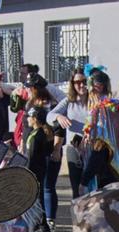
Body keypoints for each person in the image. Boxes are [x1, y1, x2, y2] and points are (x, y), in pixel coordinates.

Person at [80, 71, 119, 193]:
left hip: (109, 176)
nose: (88, 93)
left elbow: (99, 149)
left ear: (98, 87)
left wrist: (84, 181)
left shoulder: (102, 112)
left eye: (89, 88)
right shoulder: (118, 109)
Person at [47, 69, 90, 203]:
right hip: (74, 148)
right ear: (72, 84)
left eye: (84, 81)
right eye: (77, 82)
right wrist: (58, 117)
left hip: (91, 148)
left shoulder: (94, 100)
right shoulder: (68, 101)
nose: (81, 85)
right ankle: (77, 215)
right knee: (76, 189)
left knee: (91, 188)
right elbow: (49, 116)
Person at [23, 105, 54, 232]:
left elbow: (32, 156)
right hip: (38, 169)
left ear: (35, 119)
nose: (27, 119)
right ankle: (37, 223)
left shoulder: (37, 135)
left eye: (29, 117)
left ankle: (43, 225)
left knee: (38, 198)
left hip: (35, 170)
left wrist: (27, 171)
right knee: (36, 197)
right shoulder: (38, 133)